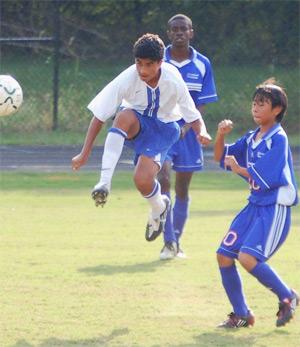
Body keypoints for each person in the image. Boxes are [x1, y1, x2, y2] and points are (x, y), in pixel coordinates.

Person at [71, 33, 211, 241]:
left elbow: (191, 113)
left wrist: (202, 132)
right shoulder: (127, 78)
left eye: (149, 64)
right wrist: (84, 153)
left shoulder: (173, 79)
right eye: (139, 63)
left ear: (160, 63)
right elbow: (99, 116)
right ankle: (104, 183)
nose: (143, 70)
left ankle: (159, 207)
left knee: (142, 181)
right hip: (137, 123)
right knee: (123, 116)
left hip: (164, 130)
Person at [214, 78, 299, 328]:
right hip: (254, 205)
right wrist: (220, 135)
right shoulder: (252, 138)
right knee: (224, 256)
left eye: (262, 104)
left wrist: (239, 168)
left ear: (277, 110)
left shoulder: (278, 139)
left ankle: (288, 296)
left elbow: (266, 177)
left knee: (248, 258)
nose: (256, 108)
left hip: (274, 207)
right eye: (254, 103)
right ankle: (242, 314)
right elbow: (221, 157)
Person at [158, 14, 218, 260]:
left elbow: (202, 102)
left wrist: (189, 124)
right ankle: (168, 241)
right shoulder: (158, 60)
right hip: (162, 131)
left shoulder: (203, 63)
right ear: (169, 33)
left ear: (191, 32)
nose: (179, 33)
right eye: (175, 29)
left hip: (190, 134)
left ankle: (176, 241)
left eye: (184, 29)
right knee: (163, 178)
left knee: (182, 189)